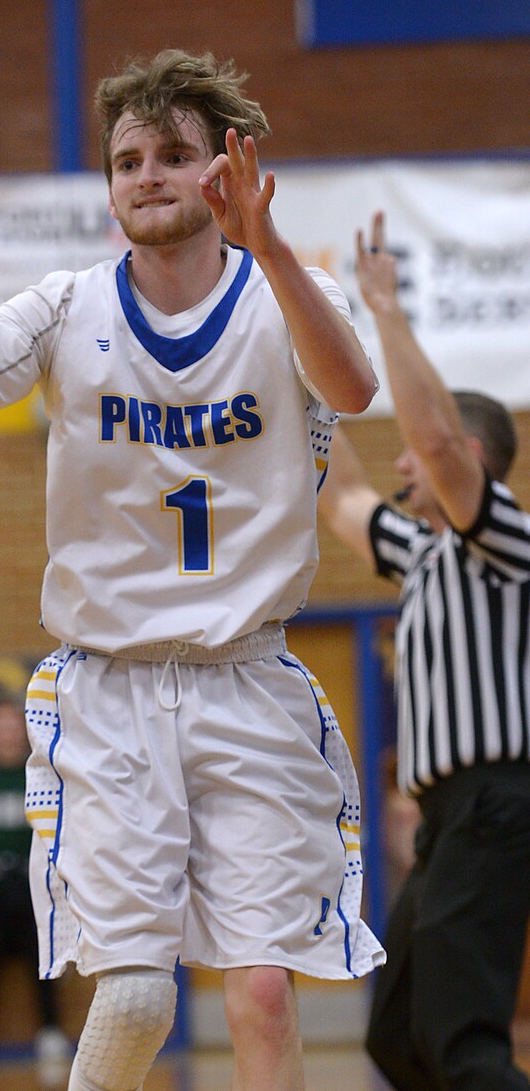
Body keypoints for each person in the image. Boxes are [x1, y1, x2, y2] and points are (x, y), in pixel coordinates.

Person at [0, 49, 384, 1091]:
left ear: (222, 169)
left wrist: (271, 246)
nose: (147, 174)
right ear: (109, 186)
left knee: (263, 991)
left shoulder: (288, 293)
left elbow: (355, 385)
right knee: (142, 996)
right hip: (108, 688)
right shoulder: (67, 307)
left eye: (174, 154)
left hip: (246, 675)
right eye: (127, 160)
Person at [318, 211, 530, 1090]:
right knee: (396, 1037)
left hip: (494, 805)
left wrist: (385, 310)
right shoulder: (423, 551)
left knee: (464, 1046)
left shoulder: (504, 538)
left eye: (418, 450)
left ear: (467, 458)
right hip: (450, 821)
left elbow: (436, 440)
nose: (404, 462)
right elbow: (342, 497)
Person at [0, 696, 71, 1084]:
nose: (6, 731)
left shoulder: (37, 771)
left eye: (12, 724)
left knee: (42, 951)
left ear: (22, 730)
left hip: (31, 876)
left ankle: (51, 1029)